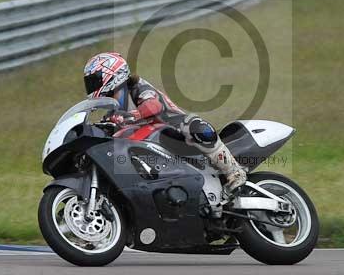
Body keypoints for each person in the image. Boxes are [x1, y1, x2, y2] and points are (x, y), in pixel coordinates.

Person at [83, 52, 247, 194]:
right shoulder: (113, 109)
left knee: (195, 125)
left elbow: (153, 106)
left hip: (173, 131)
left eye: (94, 80)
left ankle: (234, 171)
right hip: (151, 148)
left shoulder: (137, 87)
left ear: (111, 74)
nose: (91, 86)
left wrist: (132, 117)